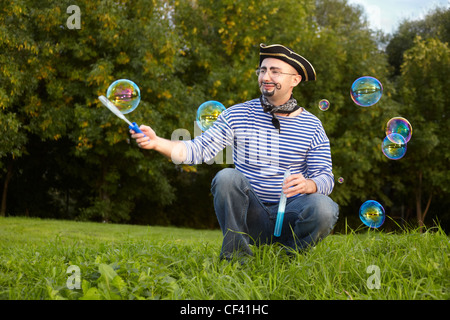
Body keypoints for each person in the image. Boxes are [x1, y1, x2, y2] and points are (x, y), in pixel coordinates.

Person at [131, 43, 339, 260]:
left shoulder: (312, 125)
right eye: (263, 70)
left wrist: (310, 184)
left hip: (290, 215)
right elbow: (197, 149)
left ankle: (289, 259)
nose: (266, 77)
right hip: (250, 215)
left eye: (275, 71)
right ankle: (237, 259)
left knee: (324, 207)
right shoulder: (238, 114)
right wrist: (157, 143)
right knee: (227, 177)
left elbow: (325, 177)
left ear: (294, 80)